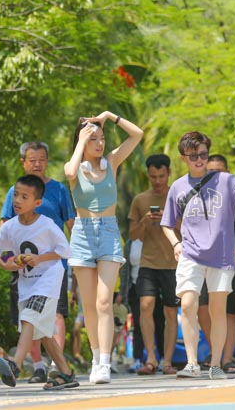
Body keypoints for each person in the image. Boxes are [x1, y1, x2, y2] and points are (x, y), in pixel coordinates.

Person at [160, 131, 235, 380]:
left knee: (218, 311)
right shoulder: (177, 187)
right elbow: (166, 223)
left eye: (203, 155)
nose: (199, 160)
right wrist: (176, 243)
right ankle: (192, 363)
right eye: (193, 156)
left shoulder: (224, 181)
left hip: (221, 257)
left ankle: (216, 364)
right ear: (184, 157)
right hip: (191, 254)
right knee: (187, 304)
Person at [65, 111, 143, 384]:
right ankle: (96, 358)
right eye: (92, 139)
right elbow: (70, 172)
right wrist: (80, 140)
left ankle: (105, 363)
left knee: (103, 301)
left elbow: (137, 135)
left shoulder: (111, 162)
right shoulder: (75, 167)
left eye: (101, 138)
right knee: (88, 305)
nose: (99, 143)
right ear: (82, 141)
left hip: (109, 232)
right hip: (83, 235)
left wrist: (110, 117)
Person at [0, 174, 78, 390]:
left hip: (48, 282)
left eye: (24, 196)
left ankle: (15, 366)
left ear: (37, 202)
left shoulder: (47, 225)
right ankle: (66, 373)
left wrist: (40, 258)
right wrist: (6, 264)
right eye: (16, 195)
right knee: (43, 333)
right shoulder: (10, 226)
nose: (17, 200)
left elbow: (65, 250)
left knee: (29, 319)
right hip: (26, 284)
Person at [199, 154, 235, 373]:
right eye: (211, 171)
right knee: (203, 308)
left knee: (229, 312)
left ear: (228, 172)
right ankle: (217, 353)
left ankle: (227, 359)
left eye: (220, 171)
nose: (216, 175)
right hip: (202, 260)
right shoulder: (197, 197)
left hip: (230, 260)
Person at [127, 154, 179, 376]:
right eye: (153, 177)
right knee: (145, 306)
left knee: (170, 311)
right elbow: (133, 234)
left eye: (161, 176)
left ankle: (167, 361)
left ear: (169, 173)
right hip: (147, 263)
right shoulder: (140, 200)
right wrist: (145, 221)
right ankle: (150, 359)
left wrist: (170, 218)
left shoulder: (178, 197)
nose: (157, 180)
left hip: (173, 264)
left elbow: (187, 230)